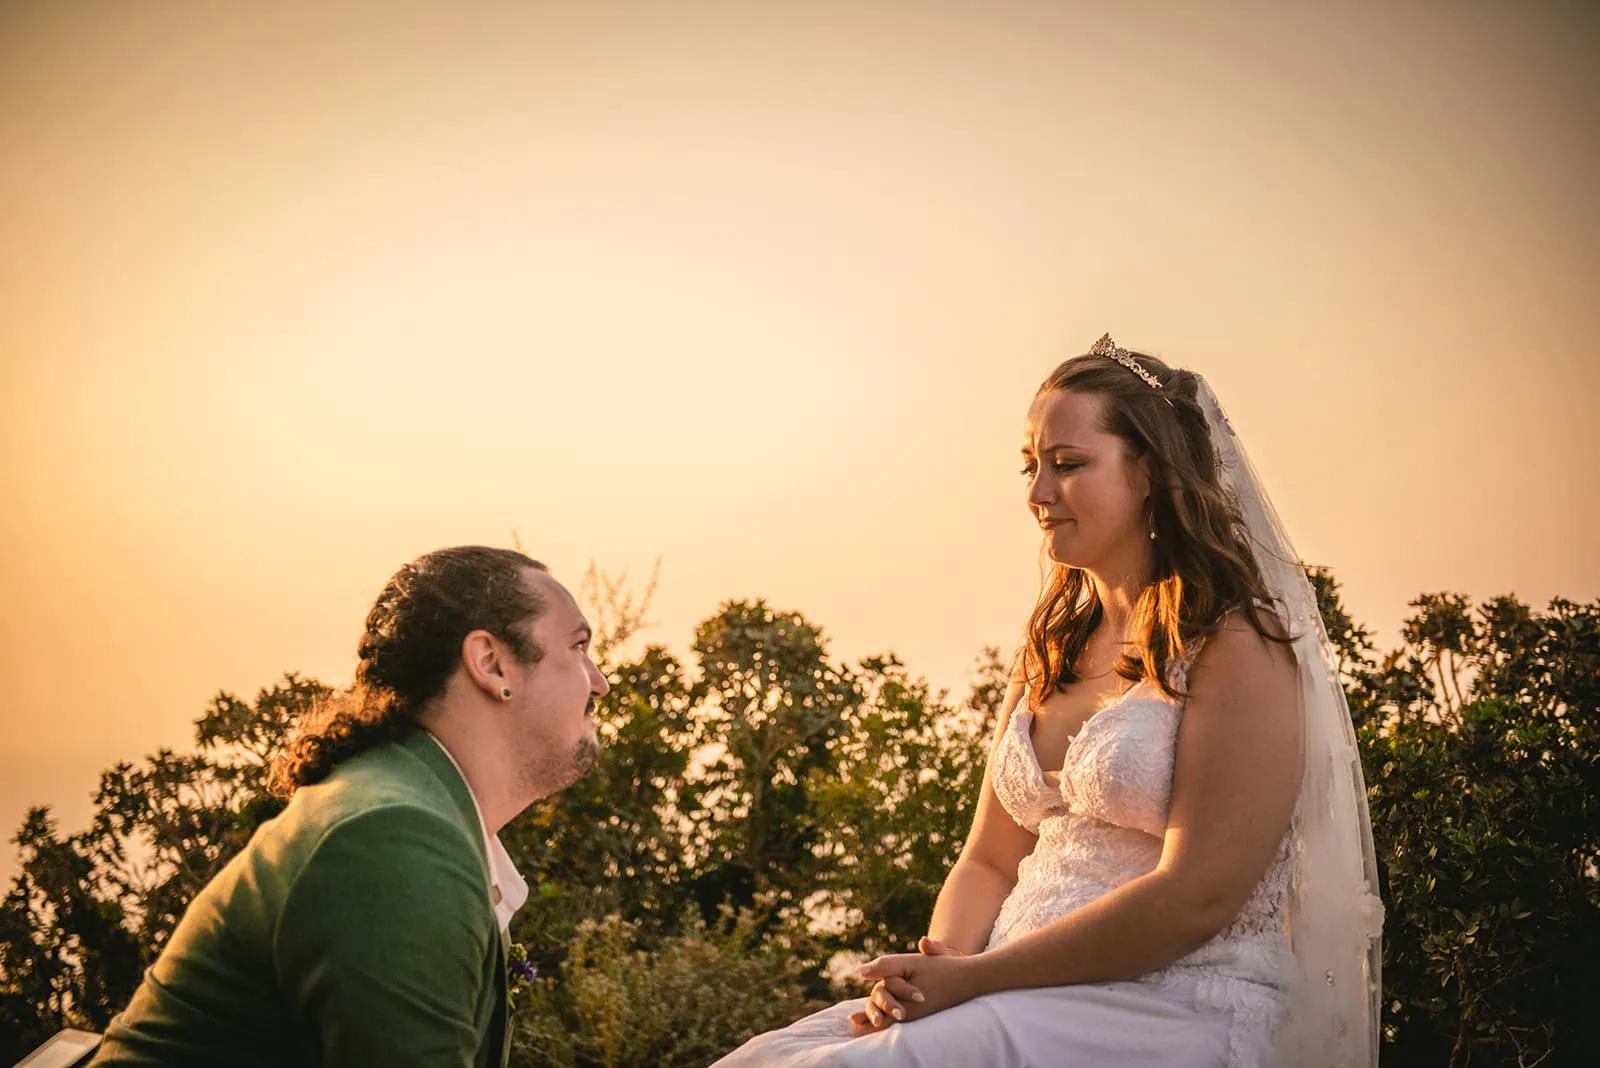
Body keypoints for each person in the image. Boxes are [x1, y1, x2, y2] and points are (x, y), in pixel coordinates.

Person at [714, 336, 1383, 1068]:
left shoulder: (1236, 644)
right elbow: (989, 860)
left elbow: (1197, 895)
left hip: (1166, 1002)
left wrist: (976, 980)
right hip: (1006, 990)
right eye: (1031, 466)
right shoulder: (1049, 648)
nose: (1038, 494)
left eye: (1067, 465)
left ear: (1150, 473)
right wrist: (932, 976)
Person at [91, 545, 609, 1067]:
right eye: (578, 647)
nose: (600, 683)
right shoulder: (397, 840)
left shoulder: (409, 811)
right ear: (492, 664)